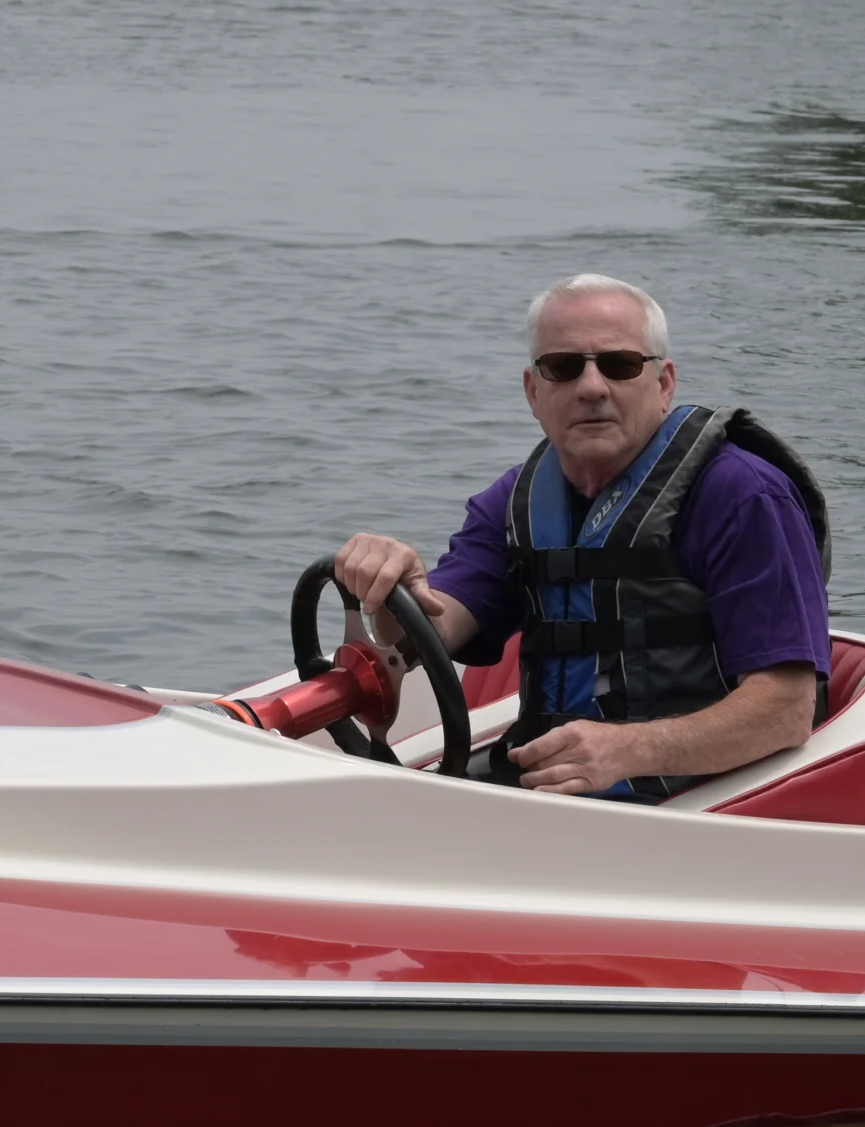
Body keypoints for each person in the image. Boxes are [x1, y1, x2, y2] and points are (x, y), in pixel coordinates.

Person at [334, 274, 829, 800]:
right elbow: (430, 631)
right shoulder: (514, 502)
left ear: (664, 385)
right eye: (564, 367)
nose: (592, 387)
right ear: (534, 391)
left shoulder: (744, 496)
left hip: (700, 802)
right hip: (547, 787)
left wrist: (632, 748)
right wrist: (390, 588)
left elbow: (787, 709)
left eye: (619, 365)